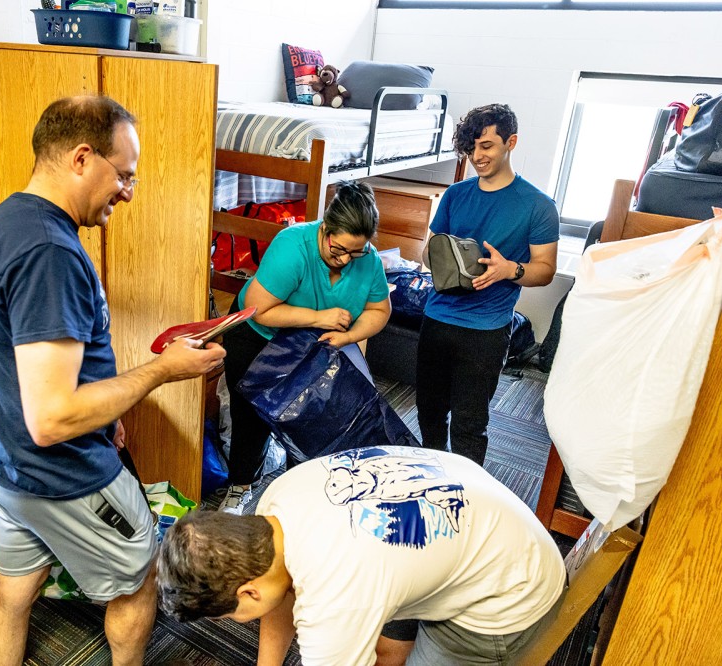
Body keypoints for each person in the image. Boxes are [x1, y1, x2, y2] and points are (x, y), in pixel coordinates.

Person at [0, 95, 226, 666]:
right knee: (140, 581)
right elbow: (52, 417)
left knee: (12, 592)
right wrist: (163, 370)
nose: (128, 190)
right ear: (82, 158)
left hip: (1, 459)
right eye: (123, 174)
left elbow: (26, 366)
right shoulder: (50, 252)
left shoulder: (3, 223)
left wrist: (107, 413)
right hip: (63, 474)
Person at [158, 445, 566, 666]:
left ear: (247, 594)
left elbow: (317, 600)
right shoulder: (276, 505)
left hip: (511, 594)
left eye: (227, 615)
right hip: (475, 524)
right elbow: (278, 596)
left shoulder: (335, 596)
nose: (234, 619)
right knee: (382, 645)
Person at [220, 181, 391, 514]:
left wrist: (348, 336)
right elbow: (261, 310)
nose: (345, 259)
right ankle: (239, 487)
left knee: (309, 417)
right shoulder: (292, 247)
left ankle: (296, 498)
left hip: (314, 341)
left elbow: (379, 310)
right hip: (259, 334)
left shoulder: (366, 260)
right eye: (338, 249)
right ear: (326, 227)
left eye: (355, 252)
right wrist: (319, 317)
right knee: (251, 419)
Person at [417, 104, 559, 467]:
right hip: (437, 318)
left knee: (469, 424)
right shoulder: (455, 195)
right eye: (471, 149)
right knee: (429, 412)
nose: (477, 157)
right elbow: (426, 252)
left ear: (511, 142)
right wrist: (442, 258)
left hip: (485, 330)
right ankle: (431, 479)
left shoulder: (538, 206)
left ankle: (467, 497)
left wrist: (510, 269)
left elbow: (544, 271)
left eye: (487, 147)